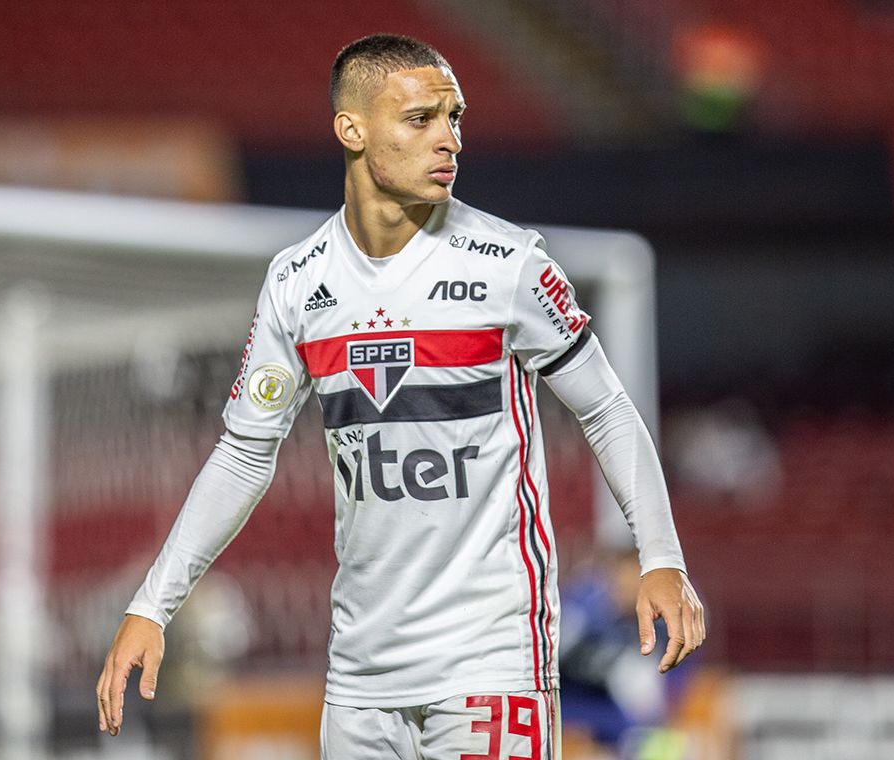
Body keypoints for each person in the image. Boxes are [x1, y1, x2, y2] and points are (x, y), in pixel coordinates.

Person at [95, 33, 705, 759]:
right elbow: (243, 454)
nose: (448, 139)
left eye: (455, 118)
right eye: (421, 119)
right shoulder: (299, 283)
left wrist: (660, 555)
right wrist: (151, 607)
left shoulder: (507, 267)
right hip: (360, 676)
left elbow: (606, 409)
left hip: (491, 660)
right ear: (351, 129)